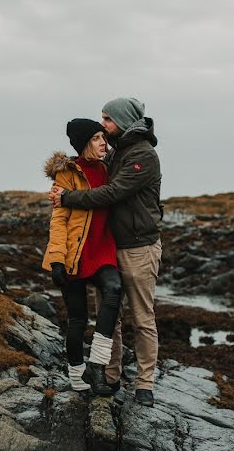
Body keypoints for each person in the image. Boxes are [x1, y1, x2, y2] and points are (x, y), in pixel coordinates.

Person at [50, 98, 163, 406]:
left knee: (142, 318)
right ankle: (110, 376)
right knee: (108, 317)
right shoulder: (114, 153)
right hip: (110, 249)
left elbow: (113, 193)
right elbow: (84, 163)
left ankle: (145, 383)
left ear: (123, 121)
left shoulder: (143, 155)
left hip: (140, 247)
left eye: (107, 120)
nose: (103, 126)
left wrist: (69, 197)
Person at [42, 118, 123, 395]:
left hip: (102, 249)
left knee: (114, 289)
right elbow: (59, 219)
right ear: (84, 143)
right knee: (77, 319)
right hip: (74, 253)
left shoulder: (108, 169)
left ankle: (97, 366)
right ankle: (77, 376)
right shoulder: (66, 174)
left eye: (104, 137)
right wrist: (56, 260)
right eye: (98, 138)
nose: (104, 143)